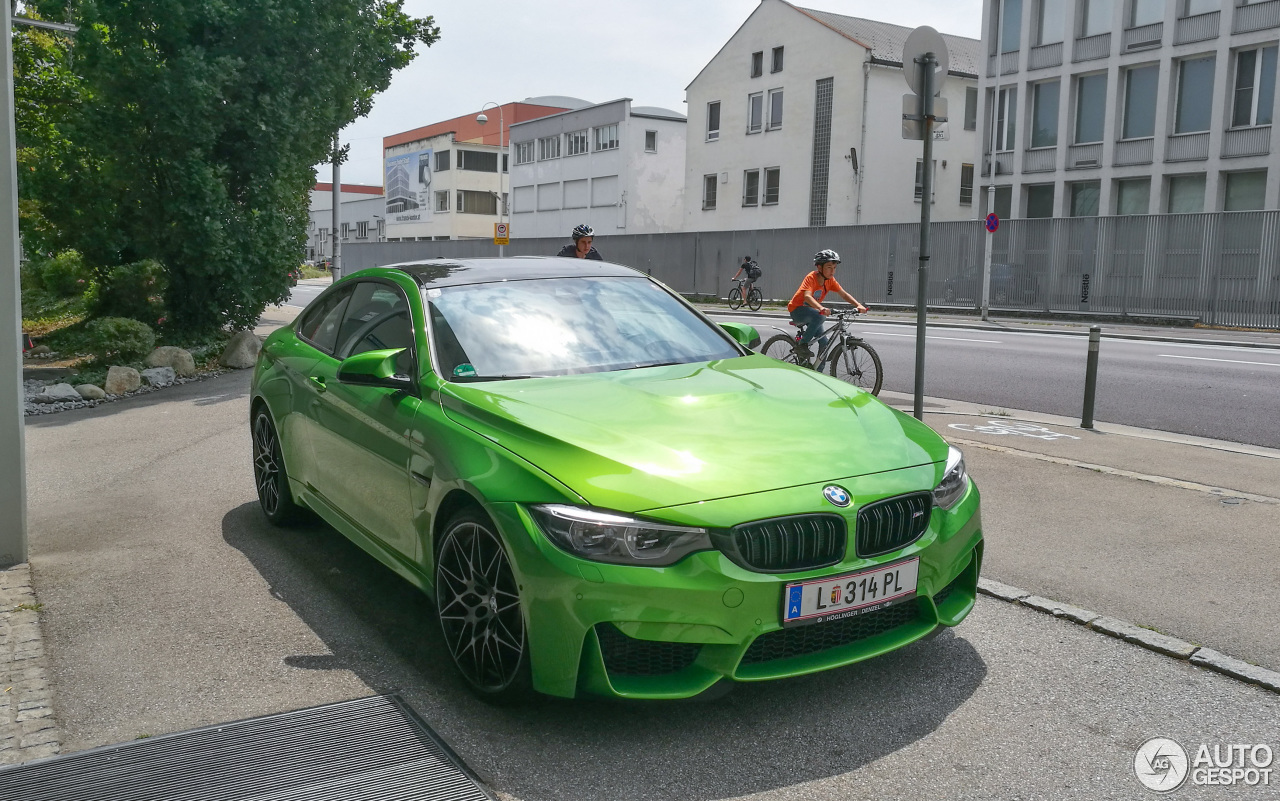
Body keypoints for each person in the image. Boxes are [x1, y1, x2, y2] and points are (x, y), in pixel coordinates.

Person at [786, 249, 868, 363]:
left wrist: (858, 305)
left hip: (812, 312)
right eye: (829, 267)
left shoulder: (830, 281)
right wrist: (821, 308)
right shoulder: (811, 278)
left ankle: (818, 372)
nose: (832, 271)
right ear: (819, 268)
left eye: (834, 268)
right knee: (820, 317)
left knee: (825, 343)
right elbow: (807, 297)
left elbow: (844, 294)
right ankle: (802, 345)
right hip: (797, 310)